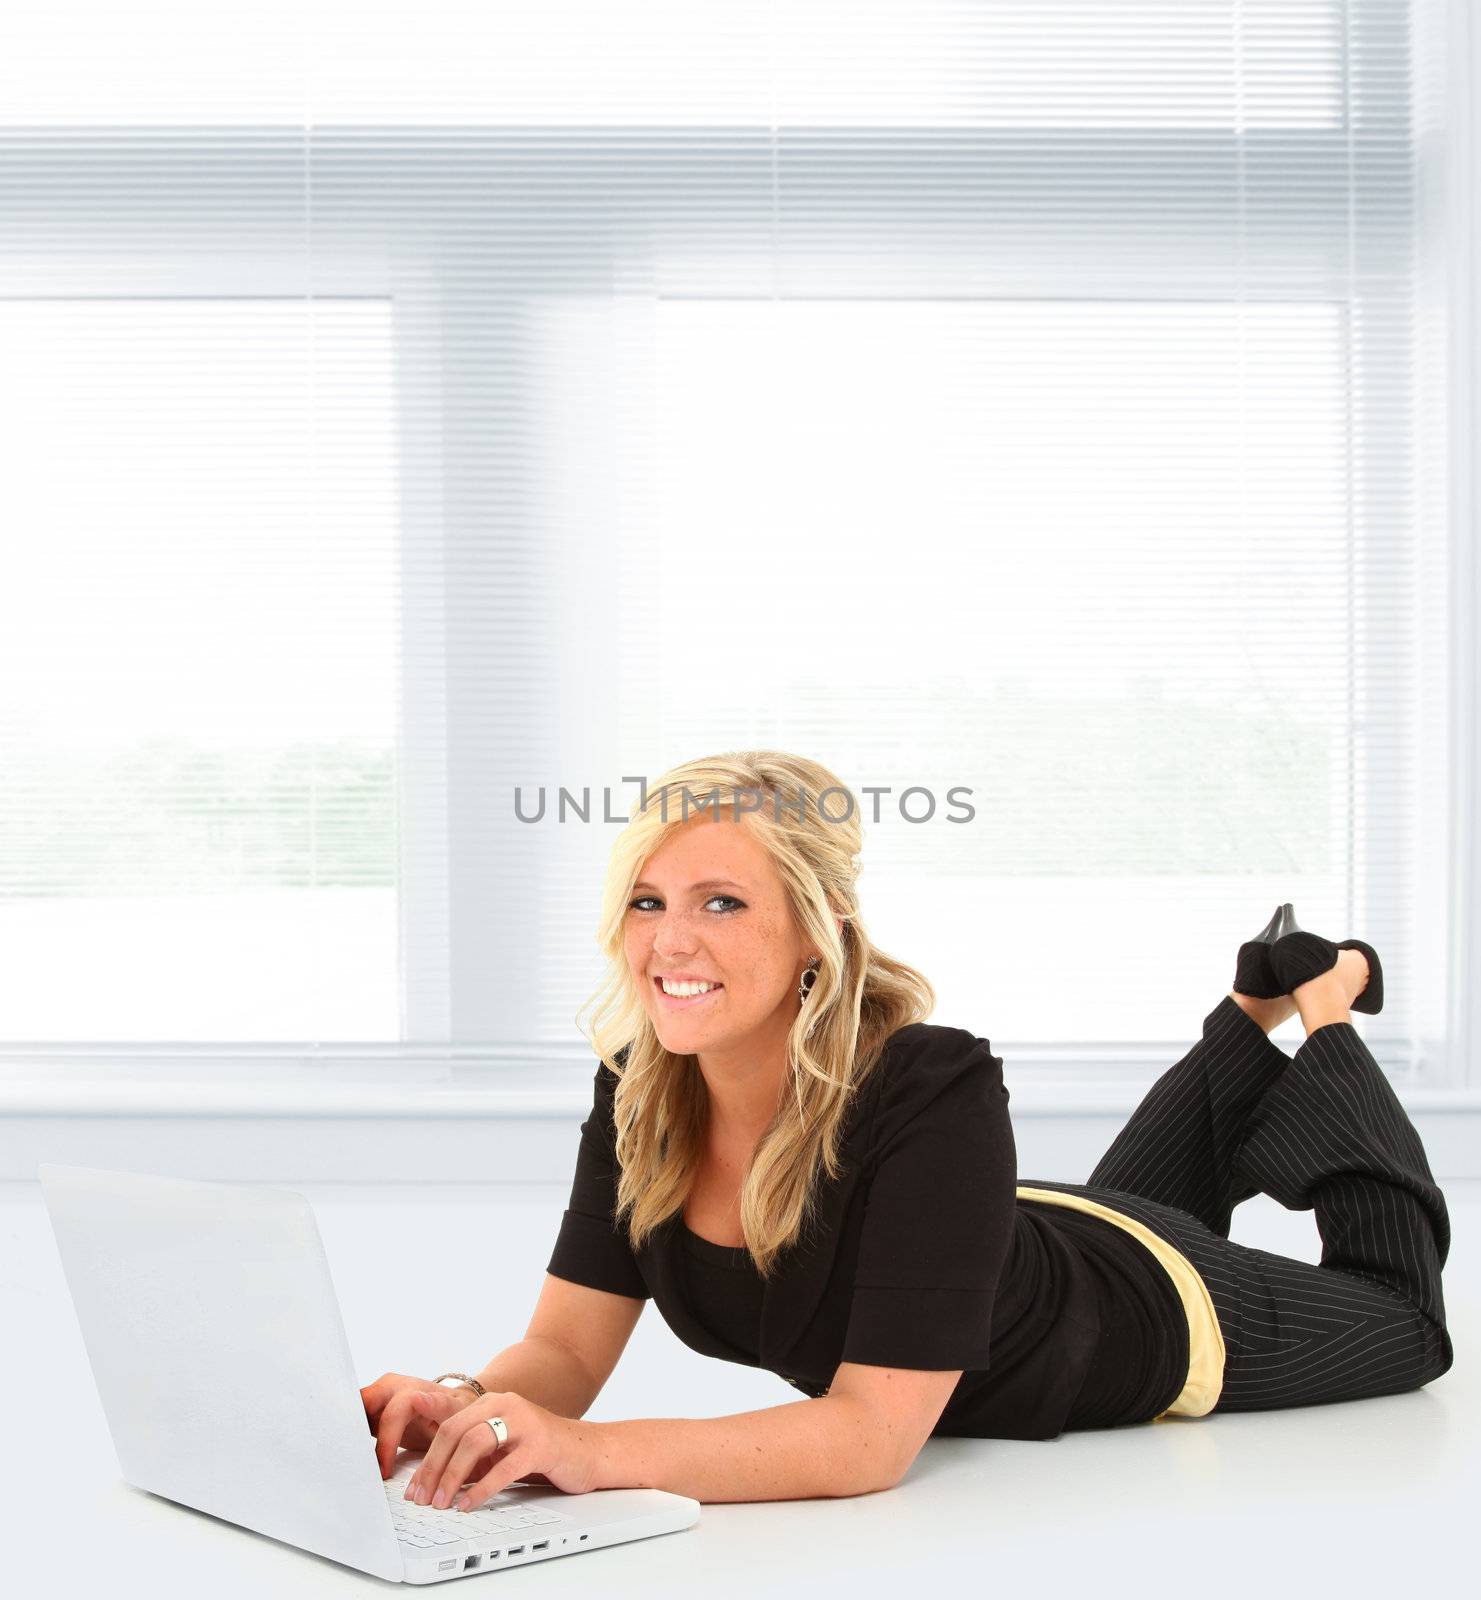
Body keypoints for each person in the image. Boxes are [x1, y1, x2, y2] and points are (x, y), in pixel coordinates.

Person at [362, 751, 1455, 1509]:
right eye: (646, 901)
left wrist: (586, 1455)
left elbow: (869, 1434)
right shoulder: (642, 1088)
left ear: (817, 927)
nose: (668, 942)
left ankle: (1315, 1001)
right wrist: (463, 1407)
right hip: (1018, 1241)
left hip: (1150, 1313)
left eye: (721, 902)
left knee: (1405, 1323)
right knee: (1142, 1205)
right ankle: (1243, 1014)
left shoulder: (932, 1082)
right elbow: (560, 1350)